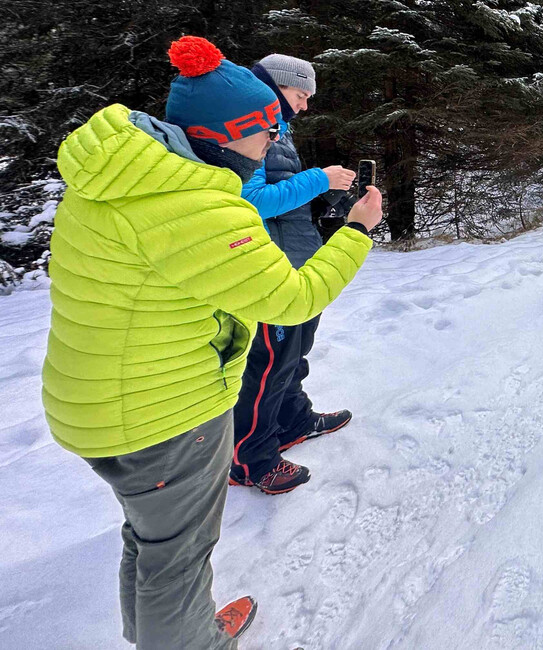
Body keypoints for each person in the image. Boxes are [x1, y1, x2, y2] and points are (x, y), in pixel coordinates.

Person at [42, 36, 384, 647]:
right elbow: (294, 296)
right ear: (230, 131)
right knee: (178, 553)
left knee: (153, 541)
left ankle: (163, 632)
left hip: (102, 399)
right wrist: (357, 230)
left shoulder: (120, 181)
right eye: (265, 132)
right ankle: (191, 640)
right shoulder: (196, 201)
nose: (270, 143)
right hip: (163, 412)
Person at [228, 53, 357, 495]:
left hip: (294, 260)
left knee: (294, 352)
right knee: (265, 367)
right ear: (274, 84)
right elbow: (253, 201)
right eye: (301, 95)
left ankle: (293, 420)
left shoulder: (277, 128)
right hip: (266, 268)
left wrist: (322, 202)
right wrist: (320, 179)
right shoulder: (245, 125)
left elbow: (281, 197)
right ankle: (250, 459)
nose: (303, 106)